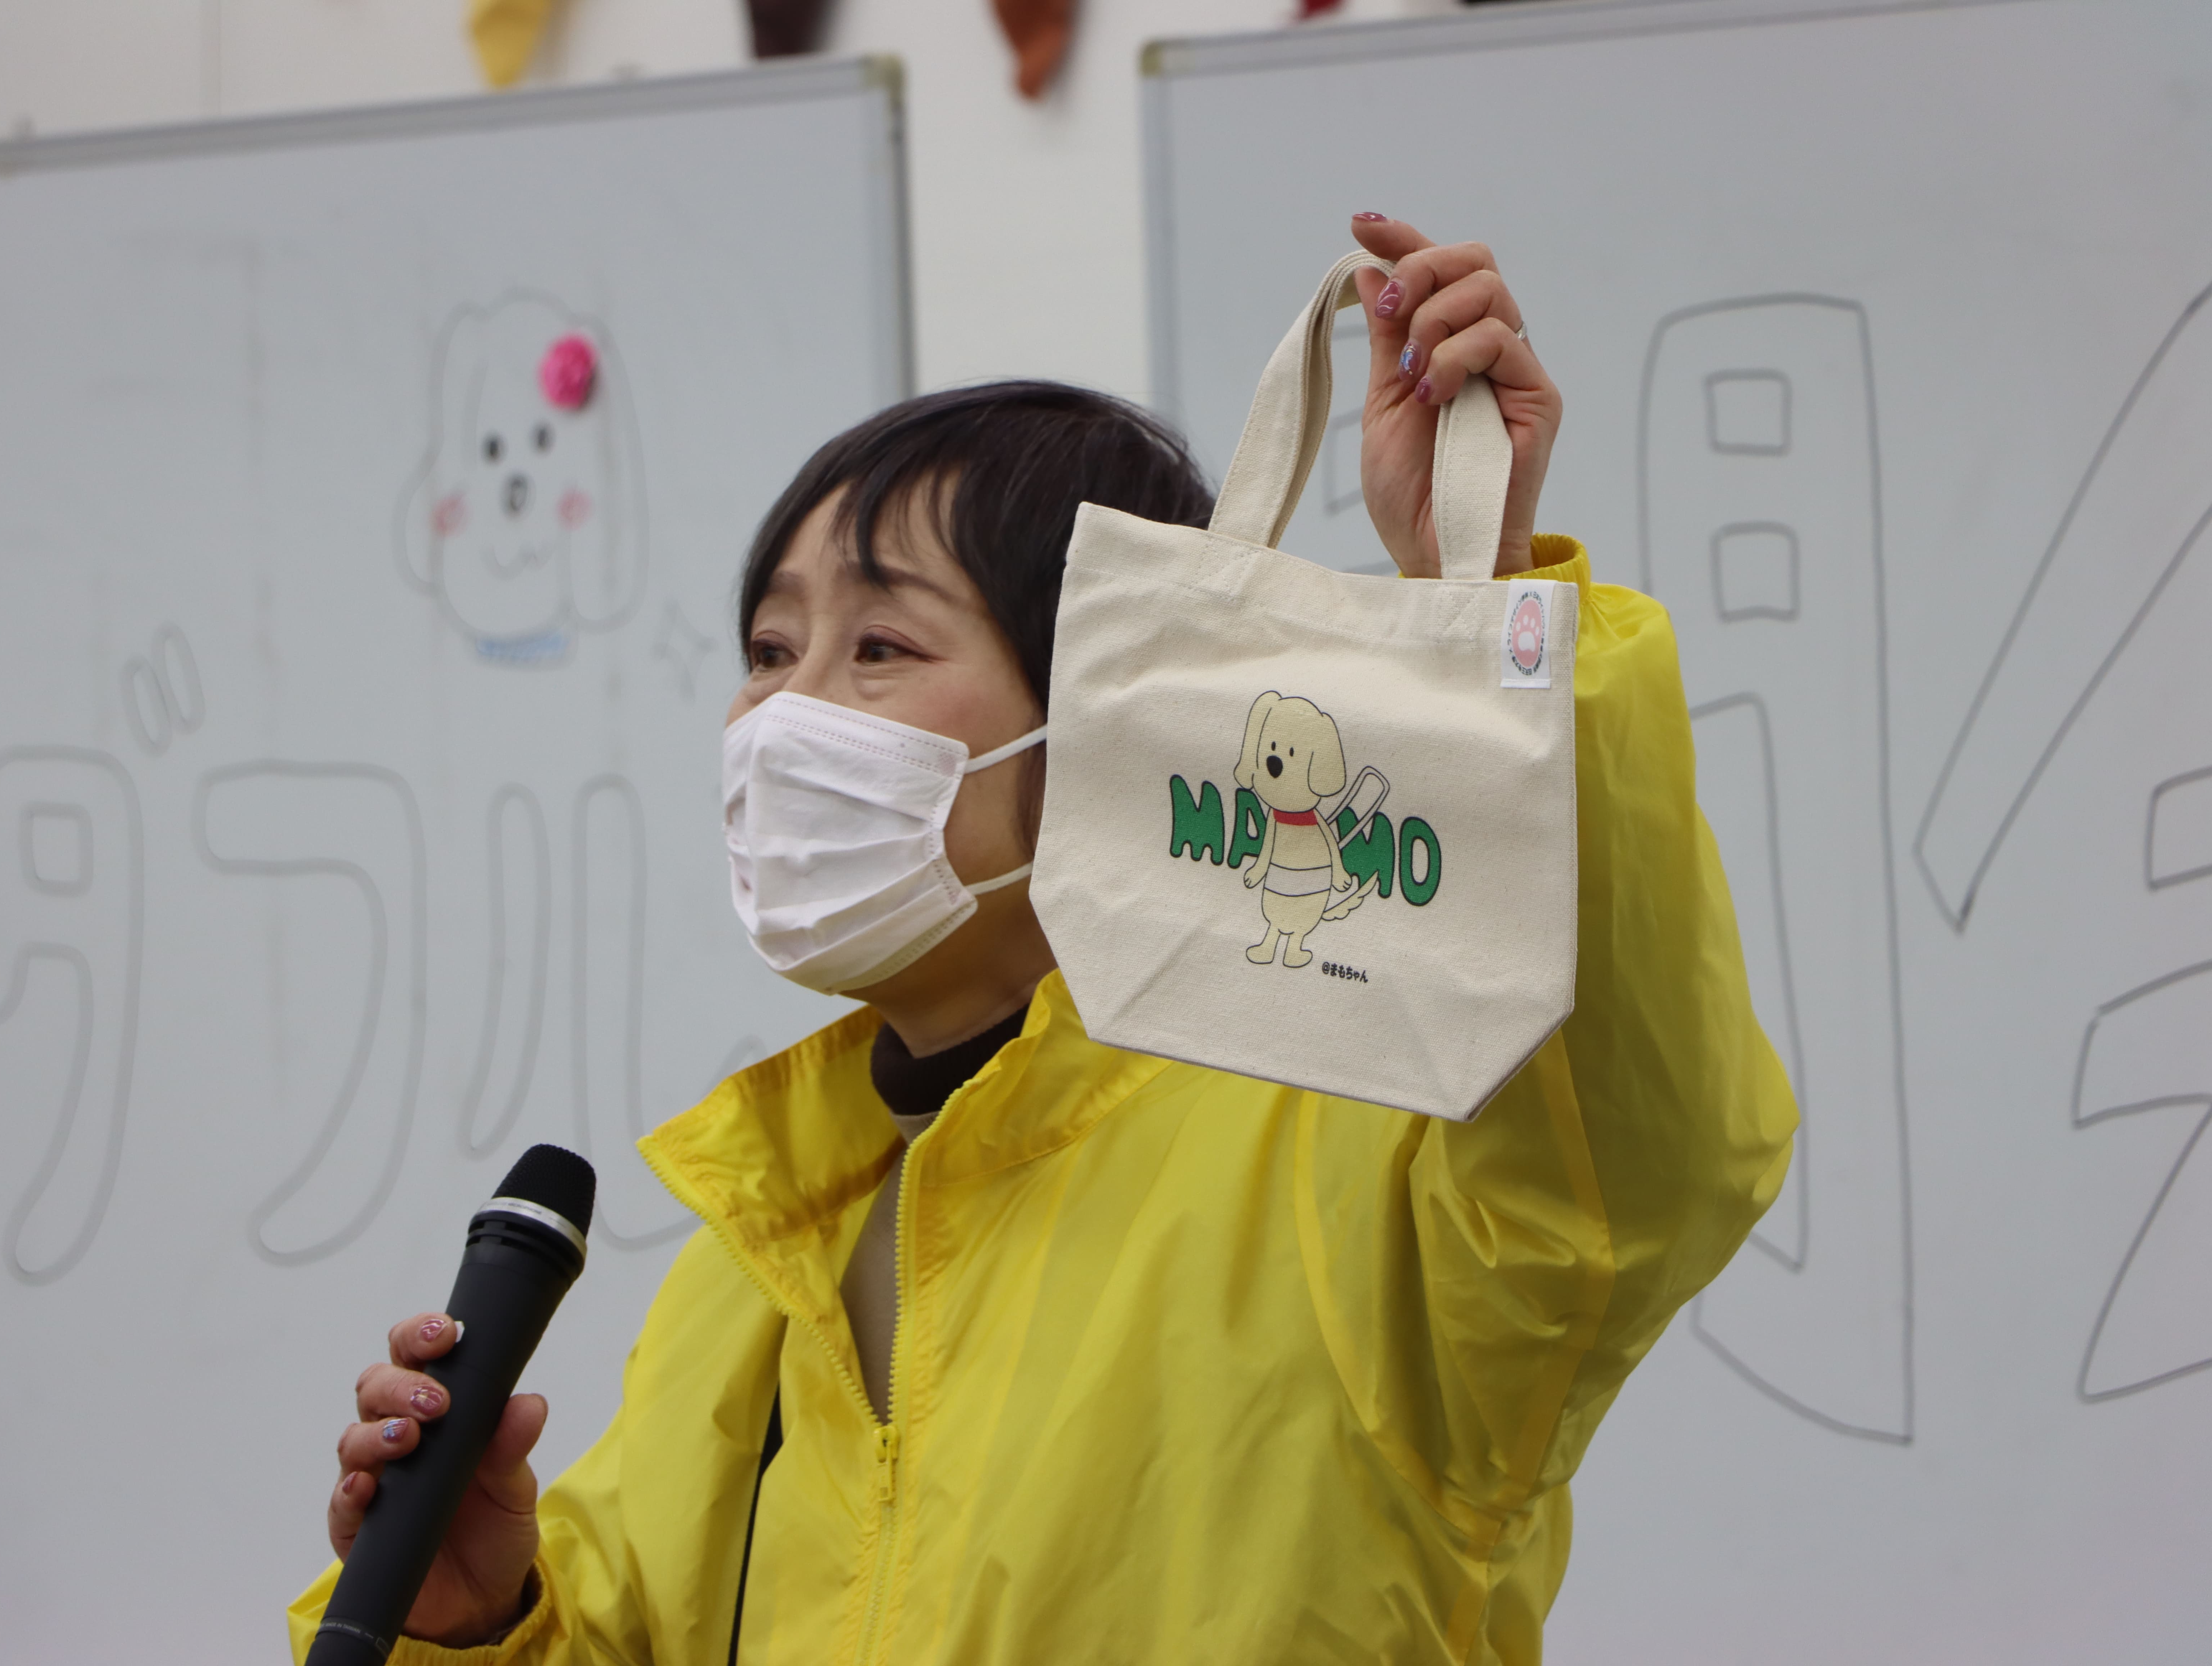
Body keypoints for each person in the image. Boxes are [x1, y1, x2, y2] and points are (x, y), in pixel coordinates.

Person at [290, 214, 1796, 1665]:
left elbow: (1631, 1157)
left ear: (1112, 718)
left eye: (881, 646)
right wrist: (474, 1619)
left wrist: (1493, 624)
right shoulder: (765, 1243)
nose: (783, 718)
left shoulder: (1338, 1143)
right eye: (768, 649)